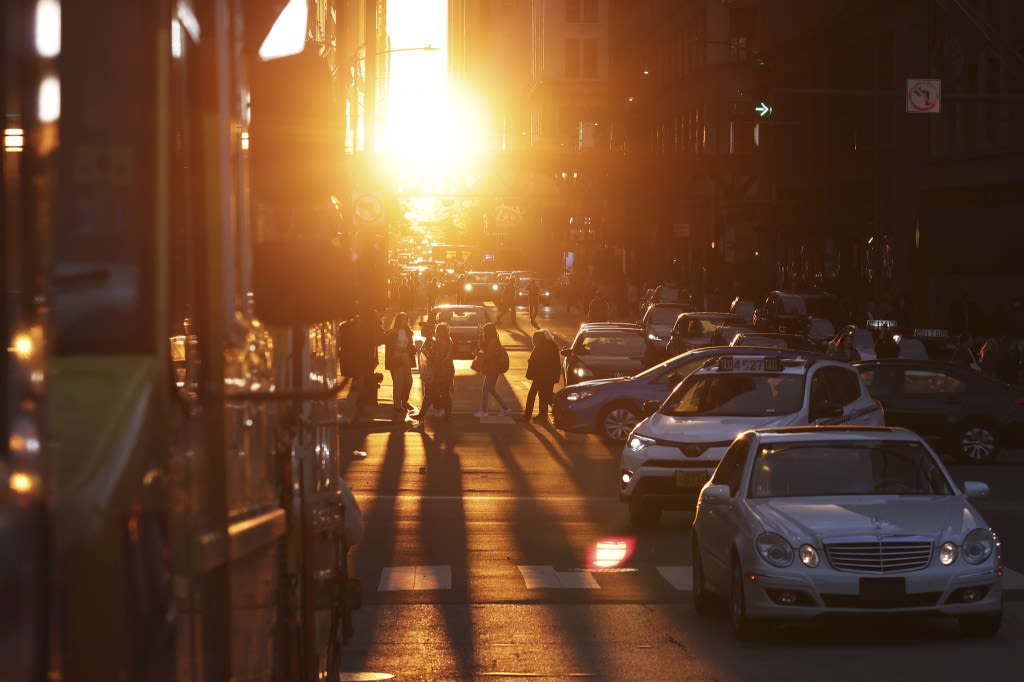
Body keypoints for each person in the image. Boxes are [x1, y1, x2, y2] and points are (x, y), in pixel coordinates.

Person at [413, 321, 454, 421]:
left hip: (438, 371)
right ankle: (447, 415)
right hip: (448, 370)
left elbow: (433, 359)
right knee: (445, 393)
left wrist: (426, 354)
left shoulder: (438, 343)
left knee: (430, 393)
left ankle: (422, 415)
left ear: (439, 332)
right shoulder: (449, 342)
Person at [518, 330, 562, 422]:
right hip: (548, 375)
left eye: (535, 339)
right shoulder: (550, 345)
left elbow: (540, 362)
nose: (533, 340)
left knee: (533, 395)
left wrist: (531, 364)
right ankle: (543, 414)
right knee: (545, 395)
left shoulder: (542, 347)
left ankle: (528, 416)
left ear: (539, 339)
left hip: (542, 375)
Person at [473, 322, 512, 418]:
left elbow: (487, 355)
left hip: (492, 369)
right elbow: (483, 347)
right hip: (492, 368)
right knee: (491, 389)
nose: (483, 333)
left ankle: (484, 411)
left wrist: (477, 353)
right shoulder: (491, 340)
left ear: (488, 332)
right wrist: (479, 336)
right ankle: (506, 409)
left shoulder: (493, 342)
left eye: (484, 331)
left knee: (485, 389)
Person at [383, 311, 416, 419]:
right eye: (402, 319)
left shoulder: (408, 332)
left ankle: (404, 401)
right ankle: (397, 404)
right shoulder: (392, 332)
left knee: (409, 380)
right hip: (396, 356)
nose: (404, 322)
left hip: (406, 356)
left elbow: (410, 345)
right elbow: (388, 346)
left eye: (406, 320)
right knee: (398, 382)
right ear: (398, 320)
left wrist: (412, 349)